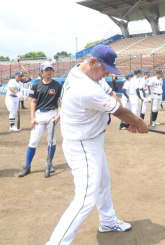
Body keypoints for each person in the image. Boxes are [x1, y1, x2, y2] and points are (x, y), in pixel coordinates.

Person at [45, 45, 148, 245]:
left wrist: (128, 122)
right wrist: (138, 123)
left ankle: (108, 221)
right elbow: (119, 110)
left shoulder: (80, 71)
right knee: (85, 198)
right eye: (105, 69)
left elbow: (111, 96)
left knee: (102, 182)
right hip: (82, 145)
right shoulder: (85, 89)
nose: (107, 74)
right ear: (93, 63)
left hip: (93, 139)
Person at [18, 62, 62, 178]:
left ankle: (49, 163)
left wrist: (59, 115)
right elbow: (33, 101)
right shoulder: (36, 85)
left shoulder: (57, 85)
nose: (49, 72)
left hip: (52, 115)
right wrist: (32, 118)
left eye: (50, 70)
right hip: (39, 115)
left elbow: (60, 103)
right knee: (33, 142)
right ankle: (27, 166)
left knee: (51, 141)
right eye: (47, 70)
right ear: (42, 71)